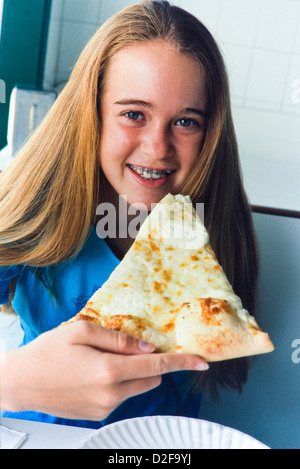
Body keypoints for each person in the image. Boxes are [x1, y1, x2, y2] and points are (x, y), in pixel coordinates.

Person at [0, 0, 258, 429]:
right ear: (92, 113)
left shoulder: (215, 230)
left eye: (186, 122)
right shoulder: (37, 208)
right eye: (133, 114)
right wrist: (12, 380)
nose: (158, 147)